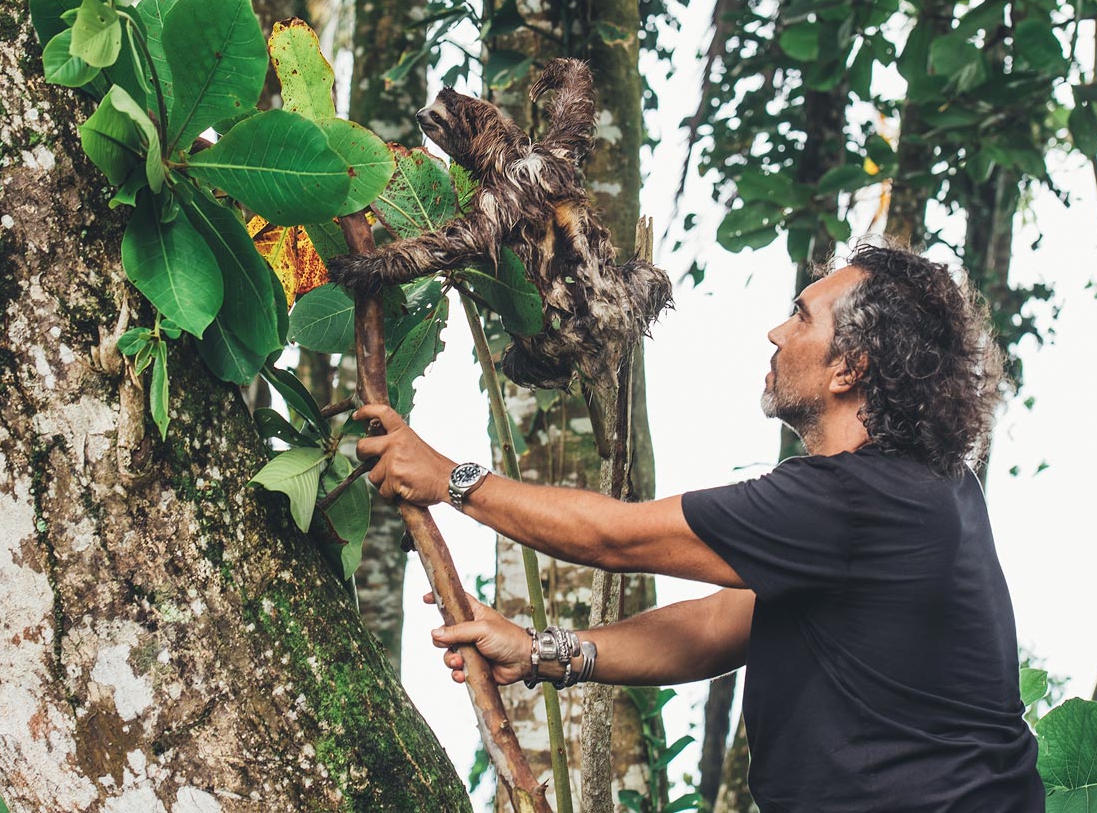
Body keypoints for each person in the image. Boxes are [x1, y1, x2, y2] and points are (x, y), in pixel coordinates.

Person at [354, 243, 1046, 812]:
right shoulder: (914, 499)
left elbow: (616, 539)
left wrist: (449, 478)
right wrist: (539, 651)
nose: (777, 332)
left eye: (801, 319)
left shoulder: (869, 498)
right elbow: (717, 628)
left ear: (850, 368)